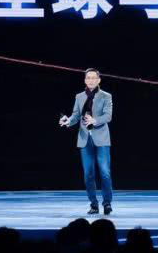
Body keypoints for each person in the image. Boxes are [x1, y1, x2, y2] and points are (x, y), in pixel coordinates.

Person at [59, 68, 114, 215]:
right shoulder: (79, 96)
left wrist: (95, 120)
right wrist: (68, 121)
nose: (90, 80)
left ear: (98, 80)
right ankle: (94, 204)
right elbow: (76, 115)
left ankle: (107, 203)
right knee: (88, 174)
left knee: (105, 173)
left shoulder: (106, 96)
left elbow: (108, 116)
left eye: (93, 78)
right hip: (84, 139)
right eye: (88, 78)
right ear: (85, 80)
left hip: (101, 139)